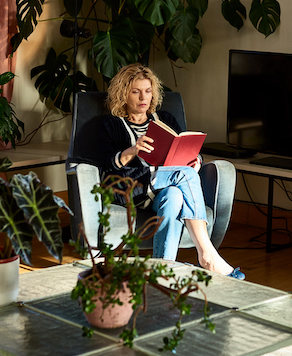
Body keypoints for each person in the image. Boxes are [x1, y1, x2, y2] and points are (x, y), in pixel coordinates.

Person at [96, 63, 244, 279]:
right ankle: (207, 253)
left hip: (162, 186)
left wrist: (196, 161)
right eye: (135, 92)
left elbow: (184, 148)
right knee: (184, 175)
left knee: (174, 195)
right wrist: (133, 149)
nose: (142, 97)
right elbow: (105, 163)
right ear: (123, 93)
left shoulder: (165, 120)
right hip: (129, 188)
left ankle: (161, 270)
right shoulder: (110, 124)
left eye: (147, 91)